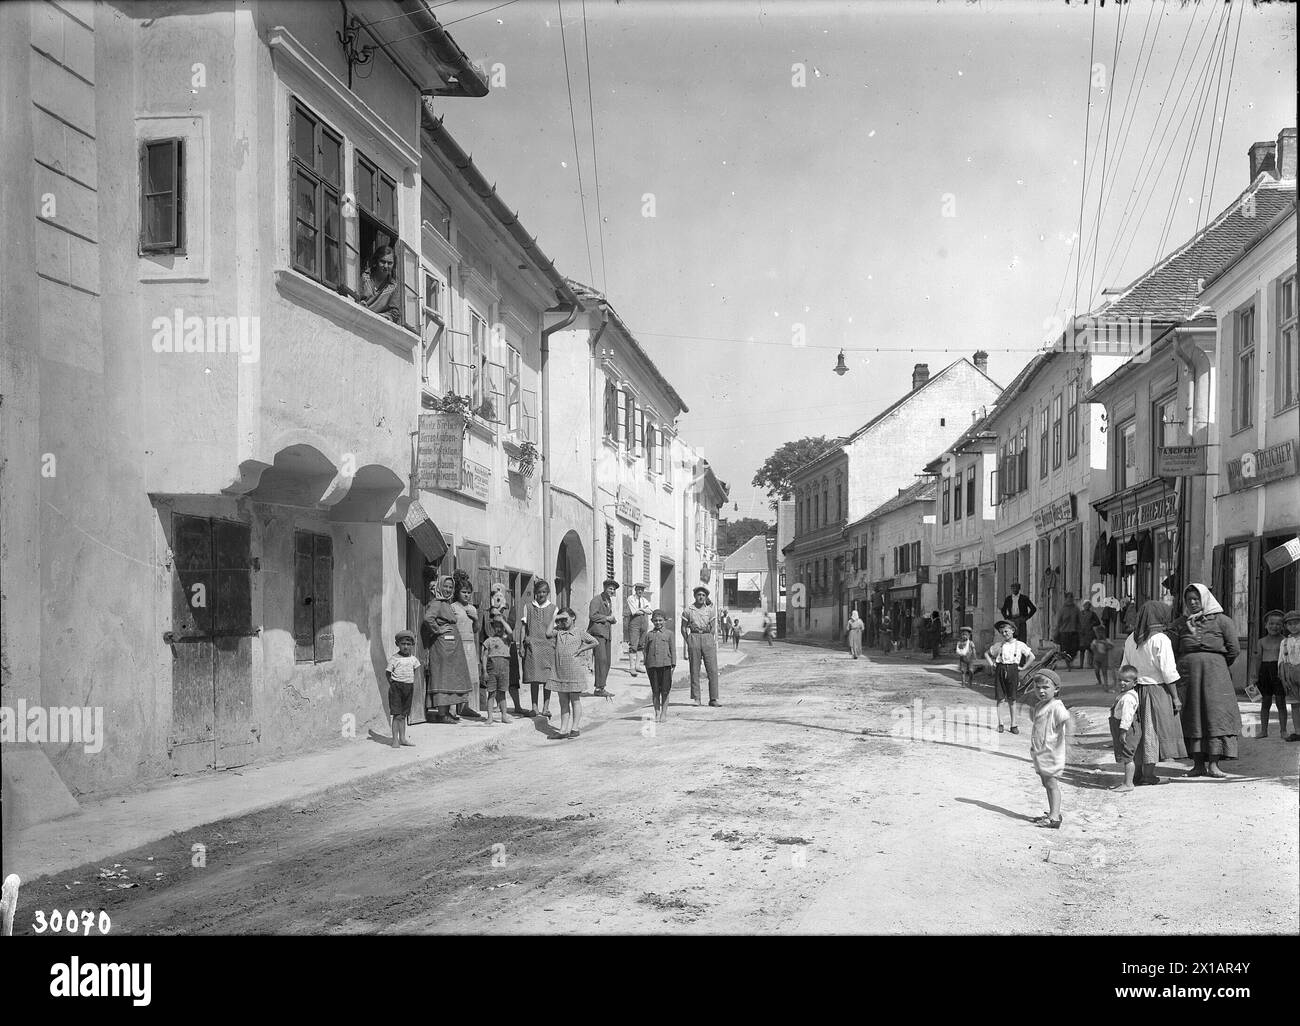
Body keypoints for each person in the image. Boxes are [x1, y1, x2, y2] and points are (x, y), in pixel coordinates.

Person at [1173, 583, 1241, 778]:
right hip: (1189, 679)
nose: (1193, 603)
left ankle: (1214, 765)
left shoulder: (1222, 621)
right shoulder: (1180, 623)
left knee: (1215, 717)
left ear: (1205, 599)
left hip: (1216, 678)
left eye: (1197, 598)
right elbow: (1174, 649)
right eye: (1189, 600)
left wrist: (1215, 663)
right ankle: (1197, 765)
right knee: (1193, 716)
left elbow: (1234, 649)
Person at [1120, 600, 1187, 785]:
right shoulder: (1160, 639)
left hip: (1134, 690)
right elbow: (1168, 671)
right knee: (1151, 732)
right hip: (1155, 690)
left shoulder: (1130, 639)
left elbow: (1124, 667)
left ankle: (1137, 774)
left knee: (1138, 733)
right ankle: (1149, 775)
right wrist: (1175, 697)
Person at [421, 576, 473, 723]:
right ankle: (442, 714)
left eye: (450, 587)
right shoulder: (437, 602)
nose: (448, 589)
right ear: (439, 586)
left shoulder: (445, 603)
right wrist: (438, 630)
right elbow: (428, 618)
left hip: (451, 647)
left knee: (451, 677)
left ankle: (447, 712)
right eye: (445, 586)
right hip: (443, 647)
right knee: (444, 676)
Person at [1029, 669, 1072, 829]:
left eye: (1045, 687)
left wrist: (1068, 743)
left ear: (1056, 689)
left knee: (1052, 784)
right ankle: (1053, 811)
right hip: (1041, 753)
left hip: (1052, 753)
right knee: (1047, 783)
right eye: (1037, 687)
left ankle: (1054, 817)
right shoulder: (1041, 705)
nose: (1041, 691)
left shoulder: (1056, 706)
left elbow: (1067, 721)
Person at [547, 607, 597, 739]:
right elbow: (547, 634)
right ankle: (563, 730)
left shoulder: (579, 632)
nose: (563, 621)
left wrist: (582, 649)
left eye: (565, 618)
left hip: (574, 670)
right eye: (560, 619)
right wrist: (554, 619)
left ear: (573, 617)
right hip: (560, 670)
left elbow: (594, 642)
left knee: (575, 700)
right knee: (563, 701)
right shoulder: (558, 631)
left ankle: (575, 727)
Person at [518, 579, 557, 718]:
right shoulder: (528, 606)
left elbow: (555, 629)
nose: (541, 595)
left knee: (547, 679)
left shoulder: (554, 608)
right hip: (532, 647)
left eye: (544, 592)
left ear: (548, 593)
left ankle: (545, 708)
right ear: (535, 593)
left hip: (548, 647)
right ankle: (534, 707)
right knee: (534, 678)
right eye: (539, 592)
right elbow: (523, 627)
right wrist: (521, 645)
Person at [986, 619, 1032, 734]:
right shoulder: (999, 645)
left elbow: (1032, 657)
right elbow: (987, 654)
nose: (1004, 634)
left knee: (1012, 699)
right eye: (1002, 632)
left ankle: (1013, 724)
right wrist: (992, 664)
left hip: (1013, 670)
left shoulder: (1020, 645)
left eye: (1006, 631)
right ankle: (1000, 723)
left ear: (1013, 630)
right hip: (1000, 669)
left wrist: (1024, 667)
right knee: (1000, 698)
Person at [1250, 609, 1288, 738]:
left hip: (1279, 672)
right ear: (1266, 625)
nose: (1274, 626)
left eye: (1278, 624)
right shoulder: (1261, 641)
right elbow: (1257, 659)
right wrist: (1254, 676)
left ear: (1283, 626)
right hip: (1264, 672)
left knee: (1280, 702)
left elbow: (1287, 659)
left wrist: (1287, 676)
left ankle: (1283, 730)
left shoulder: (1284, 641)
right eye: (1271, 623)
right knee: (1265, 702)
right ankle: (1263, 730)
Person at [681, 585, 721, 706]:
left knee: (712, 669)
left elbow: (713, 627)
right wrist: (689, 641)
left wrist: (710, 638)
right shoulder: (688, 610)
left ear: (706, 597)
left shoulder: (710, 610)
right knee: (694, 669)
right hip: (694, 637)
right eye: (699, 595)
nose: (701, 597)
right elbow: (683, 628)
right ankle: (696, 698)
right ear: (695, 596)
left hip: (707, 637)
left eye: (703, 595)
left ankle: (713, 698)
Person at [450, 574, 483, 719]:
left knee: (468, 677)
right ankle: (451, 708)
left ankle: (464, 707)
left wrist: (475, 618)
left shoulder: (472, 609)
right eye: (464, 592)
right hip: (457, 645)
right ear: (457, 592)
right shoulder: (453, 607)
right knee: (456, 676)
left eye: (469, 592)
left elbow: (476, 629)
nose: (467, 595)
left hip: (470, 645)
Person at [640, 609, 676, 722]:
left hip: (666, 665)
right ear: (652, 621)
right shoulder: (649, 635)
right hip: (652, 666)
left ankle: (664, 714)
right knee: (655, 690)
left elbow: (673, 650)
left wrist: (673, 664)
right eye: (655, 620)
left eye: (660, 620)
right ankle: (657, 712)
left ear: (665, 621)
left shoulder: (669, 634)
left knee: (665, 691)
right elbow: (645, 651)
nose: (658, 623)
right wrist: (646, 663)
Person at [1109, 665, 1141, 792]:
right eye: (1120, 680)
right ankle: (1125, 781)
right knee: (1125, 756)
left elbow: (1127, 717)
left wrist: (1123, 732)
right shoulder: (1125, 694)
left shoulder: (1128, 698)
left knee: (1128, 757)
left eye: (1126, 681)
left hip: (1126, 729)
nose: (1122, 683)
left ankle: (1128, 784)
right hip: (1121, 728)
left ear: (1135, 682)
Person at [386, 630, 419, 748]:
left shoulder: (413, 659)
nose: (405, 646)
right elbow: (388, 673)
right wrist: (394, 684)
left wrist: (407, 683)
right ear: (397, 644)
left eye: (408, 644)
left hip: (408, 687)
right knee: (396, 715)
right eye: (403, 644)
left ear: (412, 645)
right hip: (396, 688)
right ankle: (395, 740)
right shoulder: (394, 659)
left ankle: (403, 738)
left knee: (404, 715)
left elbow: (414, 670)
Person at [587, 579, 619, 697]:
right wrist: (607, 618)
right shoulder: (596, 600)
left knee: (607, 661)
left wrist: (612, 619)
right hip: (598, 634)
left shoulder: (608, 600)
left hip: (606, 634)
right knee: (601, 660)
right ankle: (599, 688)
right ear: (604, 587)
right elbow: (593, 615)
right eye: (610, 588)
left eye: (613, 589)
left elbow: (607, 616)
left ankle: (602, 686)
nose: (612, 591)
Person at [479, 619, 513, 726]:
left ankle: (504, 715)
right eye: (496, 626)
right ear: (493, 628)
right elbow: (484, 656)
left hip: (504, 670)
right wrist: (484, 671)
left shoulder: (506, 640)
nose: (499, 629)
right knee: (491, 693)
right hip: (492, 670)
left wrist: (502, 621)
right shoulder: (488, 641)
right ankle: (490, 717)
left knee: (502, 693)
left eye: (501, 626)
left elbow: (510, 632)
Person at [359, 245, 402, 322]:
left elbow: (395, 313)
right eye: (382, 262)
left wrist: (380, 316)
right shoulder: (363, 277)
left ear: (394, 265)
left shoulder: (393, 287)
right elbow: (353, 295)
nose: (386, 266)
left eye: (390, 263)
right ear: (376, 261)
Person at [1279, 610, 1300, 742]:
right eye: (1290, 624)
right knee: (1295, 704)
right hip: (1291, 676)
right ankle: (1298, 731)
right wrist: (1283, 678)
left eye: (1297, 623)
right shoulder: (1284, 642)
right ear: (1286, 626)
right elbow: (1281, 661)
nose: (1293, 626)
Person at [626, 583, 653, 676]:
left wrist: (642, 609)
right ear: (635, 589)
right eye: (638, 589)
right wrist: (644, 609)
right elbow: (634, 612)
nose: (640, 591)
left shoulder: (645, 600)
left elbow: (650, 611)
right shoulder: (631, 598)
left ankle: (637, 666)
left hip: (644, 623)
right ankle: (632, 667)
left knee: (641, 644)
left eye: (642, 589)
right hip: (634, 623)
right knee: (633, 645)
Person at [1054, 592, 1081, 669]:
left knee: (1074, 649)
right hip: (1064, 632)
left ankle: (1070, 660)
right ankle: (1068, 663)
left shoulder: (1076, 609)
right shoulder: (1062, 609)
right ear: (1065, 599)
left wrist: (1080, 630)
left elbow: (1080, 620)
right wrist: (1056, 632)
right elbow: (1059, 622)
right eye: (1068, 598)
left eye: (1071, 598)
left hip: (1074, 632)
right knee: (1065, 650)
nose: (1070, 599)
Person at [1078, 601, 1101, 668]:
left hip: (1089, 634)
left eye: (1088, 605)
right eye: (1085, 605)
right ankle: (1081, 665)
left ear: (1090, 606)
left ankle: (1091, 664)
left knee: (1091, 649)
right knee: (1082, 650)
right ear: (1083, 606)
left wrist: (1092, 624)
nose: (1086, 606)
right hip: (1082, 634)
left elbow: (1098, 622)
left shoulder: (1092, 614)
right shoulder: (1080, 613)